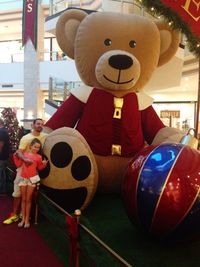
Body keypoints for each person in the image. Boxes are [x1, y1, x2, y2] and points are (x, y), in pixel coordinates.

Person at [3, 118, 47, 225]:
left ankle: (24, 216)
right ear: (33, 125)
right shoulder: (26, 138)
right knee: (17, 192)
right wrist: (25, 160)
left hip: (34, 171)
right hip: (23, 168)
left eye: (41, 124)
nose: (39, 125)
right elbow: (18, 152)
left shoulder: (45, 137)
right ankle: (14, 214)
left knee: (29, 196)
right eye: (37, 124)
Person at [13, 138, 48, 228]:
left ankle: (27, 220)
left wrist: (44, 164)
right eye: (35, 147)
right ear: (30, 146)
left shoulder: (39, 157)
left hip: (32, 179)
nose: (36, 149)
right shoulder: (24, 154)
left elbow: (39, 168)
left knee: (28, 200)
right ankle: (23, 219)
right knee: (23, 199)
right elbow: (18, 164)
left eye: (38, 147)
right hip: (23, 179)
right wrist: (16, 155)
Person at [0, 118, 10, 195]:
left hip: (2, 157)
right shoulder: (4, 130)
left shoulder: (1, 131)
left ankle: (2, 191)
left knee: (1, 174)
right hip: (4, 157)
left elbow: (1, 145)